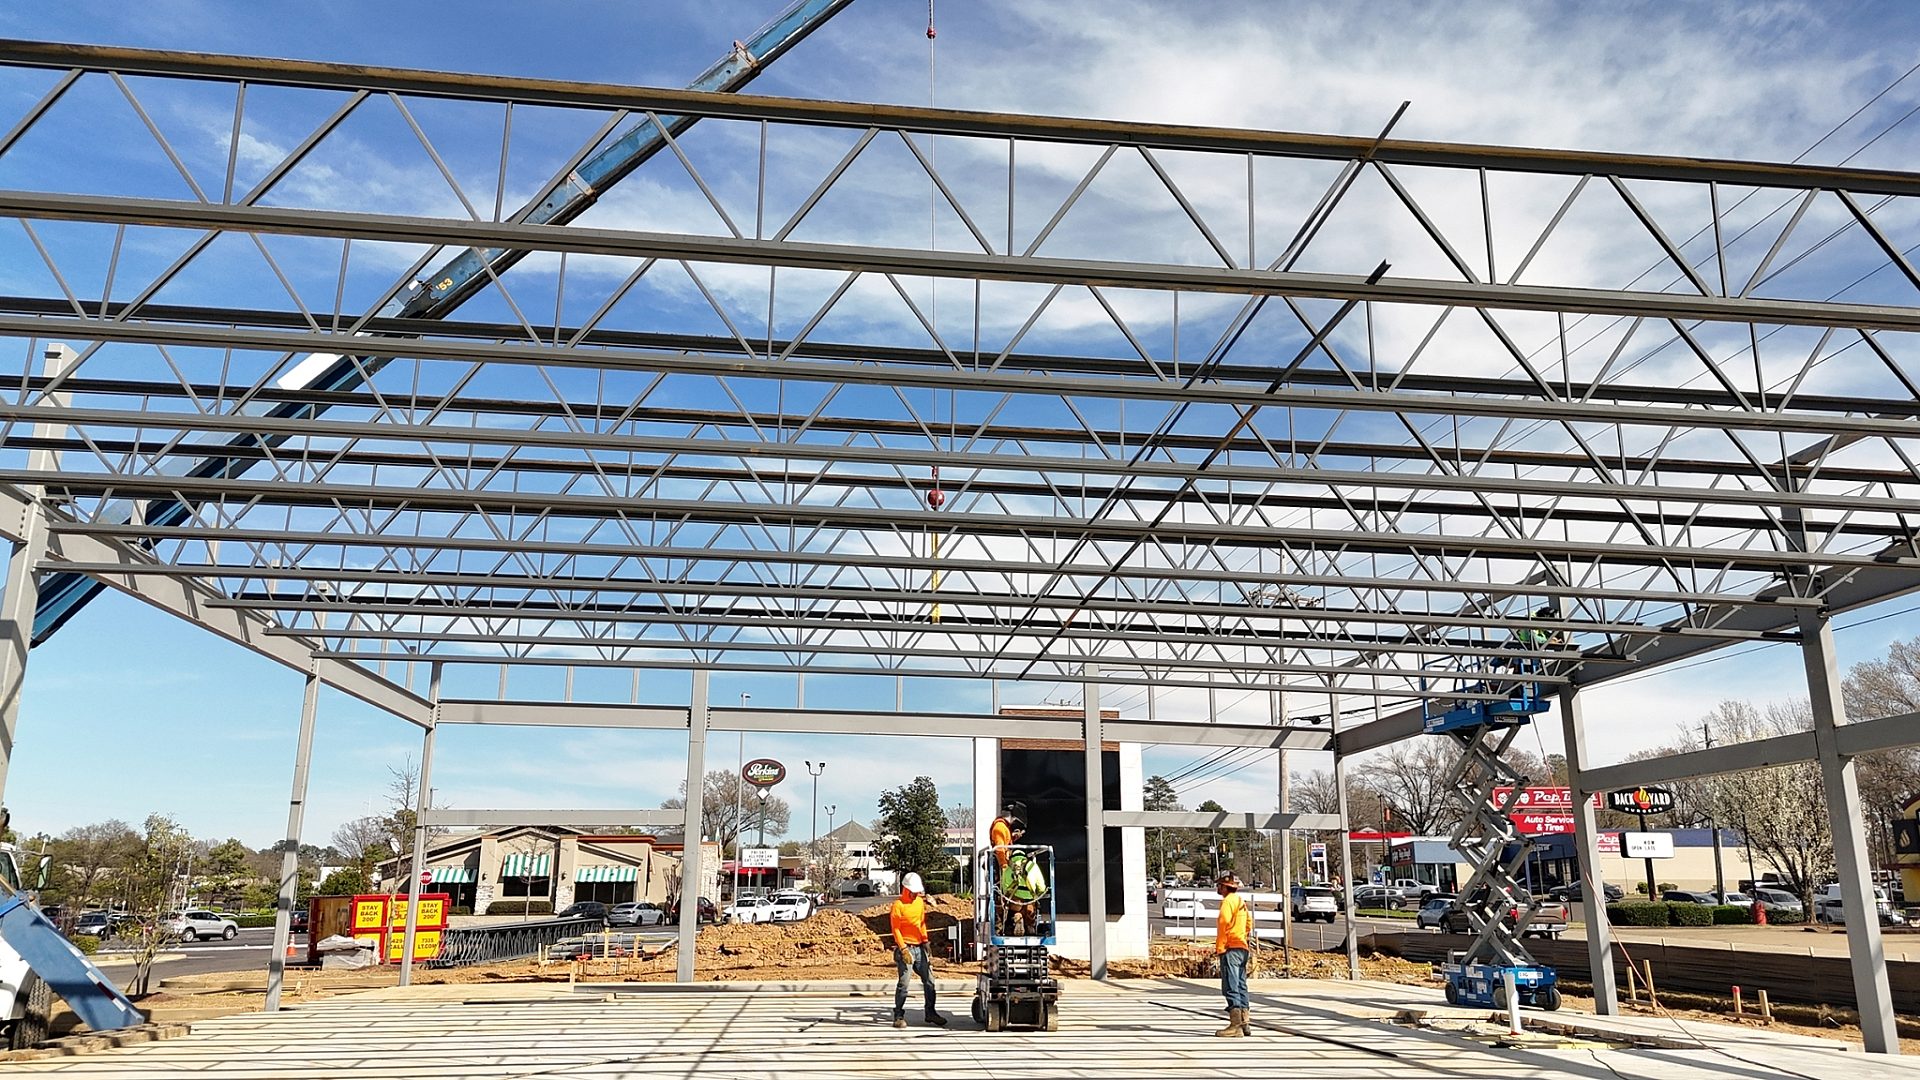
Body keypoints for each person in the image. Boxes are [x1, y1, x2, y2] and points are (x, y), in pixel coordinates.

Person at [889, 872, 948, 1029]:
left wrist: (925, 940)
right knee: (904, 983)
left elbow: (921, 923)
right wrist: (903, 949)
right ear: (906, 889)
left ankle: (930, 1012)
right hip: (906, 947)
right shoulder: (898, 906)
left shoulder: (919, 903)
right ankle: (899, 1015)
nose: (915, 894)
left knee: (930, 981)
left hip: (919, 947)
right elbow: (896, 930)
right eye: (913, 892)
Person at [1214, 871, 1253, 1037]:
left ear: (1225, 887)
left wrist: (1221, 946)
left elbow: (1223, 924)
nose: (1218, 887)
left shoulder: (1227, 902)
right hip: (1242, 948)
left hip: (1231, 948)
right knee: (1241, 984)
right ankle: (1245, 1022)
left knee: (1230, 986)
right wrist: (1242, 936)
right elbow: (1249, 924)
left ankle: (1235, 1025)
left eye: (1219, 885)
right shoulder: (1240, 901)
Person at [1002, 847, 1049, 937]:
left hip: (1015, 901)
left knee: (1013, 910)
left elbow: (1005, 890)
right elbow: (1042, 887)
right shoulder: (1032, 866)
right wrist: (1037, 894)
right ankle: (1029, 927)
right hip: (1030, 900)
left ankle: (1017, 917)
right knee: (1030, 915)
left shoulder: (1008, 868)